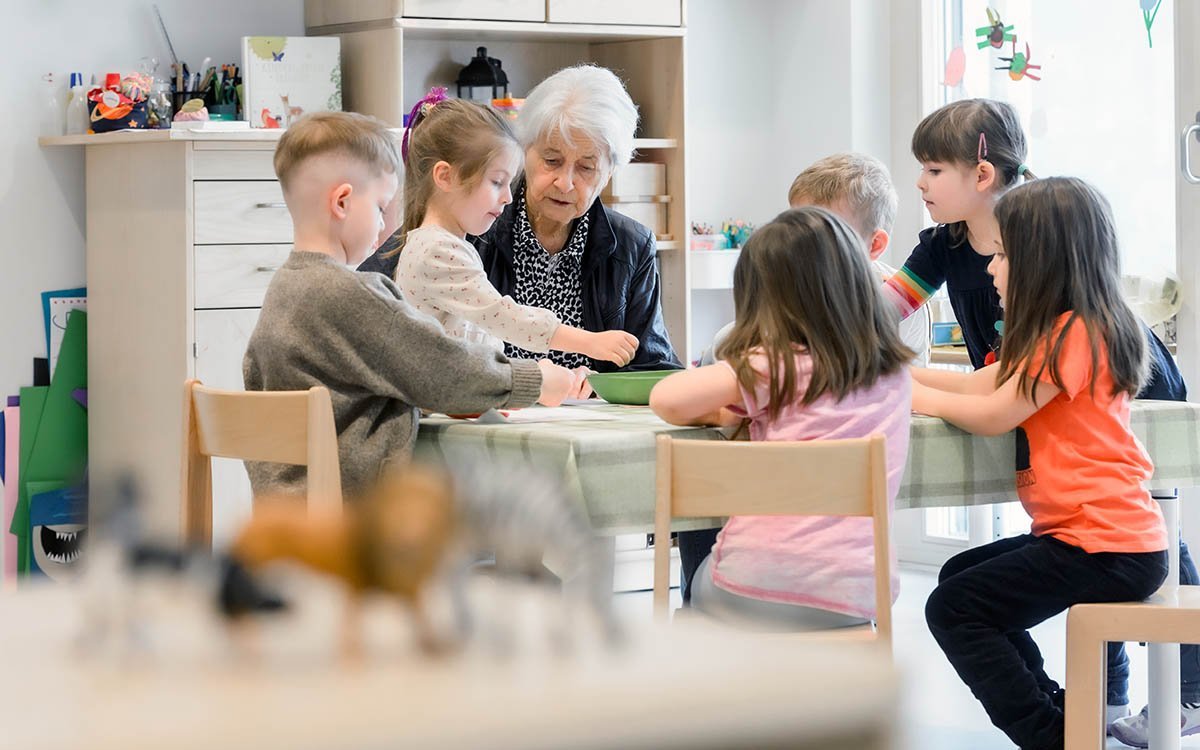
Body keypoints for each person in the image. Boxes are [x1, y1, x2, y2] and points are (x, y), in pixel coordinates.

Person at [915, 177, 1169, 750]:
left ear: (1043, 263)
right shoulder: (1063, 330)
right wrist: (895, 375)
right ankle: (1063, 717)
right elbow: (982, 383)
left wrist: (911, 395)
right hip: (1092, 539)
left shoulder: (1077, 333)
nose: (990, 269)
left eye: (1003, 255)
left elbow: (995, 413)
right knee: (958, 579)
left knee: (954, 608)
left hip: (1105, 547)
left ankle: (1053, 737)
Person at [242, 111, 574, 497]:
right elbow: (442, 369)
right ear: (343, 202)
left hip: (281, 512)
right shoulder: (354, 295)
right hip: (357, 513)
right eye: (381, 208)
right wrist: (536, 380)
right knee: (514, 499)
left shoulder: (282, 289)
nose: (386, 225)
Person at [679, 153, 932, 608]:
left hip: (806, 530)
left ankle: (719, 626)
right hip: (847, 571)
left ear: (874, 245)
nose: (803, 246)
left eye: (824, 233)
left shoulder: (899, 307)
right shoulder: (772, 319)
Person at [360, 64, 681, 380]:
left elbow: (653, 368)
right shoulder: (469, 217)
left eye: (586, 167)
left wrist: (595, 388)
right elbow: (362, 310)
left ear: (609, 173)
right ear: (524, 152)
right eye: (551, 160)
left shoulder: (631, 245)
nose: (565, 183)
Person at [883, 98, 1034, 369]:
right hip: (990, 390)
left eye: (934, 170)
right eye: (922, 169)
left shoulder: (1039, 242)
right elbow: (881, 311)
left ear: (982, 175)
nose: (920, 183)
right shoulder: (942, 246)